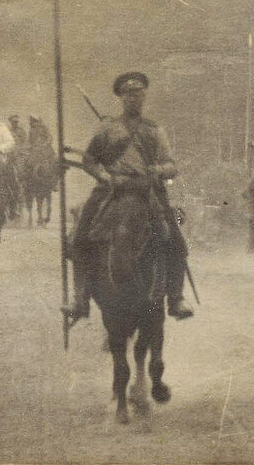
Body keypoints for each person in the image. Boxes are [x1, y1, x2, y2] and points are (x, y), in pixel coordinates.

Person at [64, 72, 194, 322]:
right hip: (111, 189)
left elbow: (171, 165)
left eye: (138, 93)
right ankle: (80, 299)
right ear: (121, 98)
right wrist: (104, 177)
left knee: (176, 241)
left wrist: (159, 169)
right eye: (128, 94)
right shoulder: (107, 128)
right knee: (80, 236)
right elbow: (89, 160)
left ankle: (176, 299)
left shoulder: (154, 130)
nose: (133, 98)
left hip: (147, 190)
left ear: (144, 96)